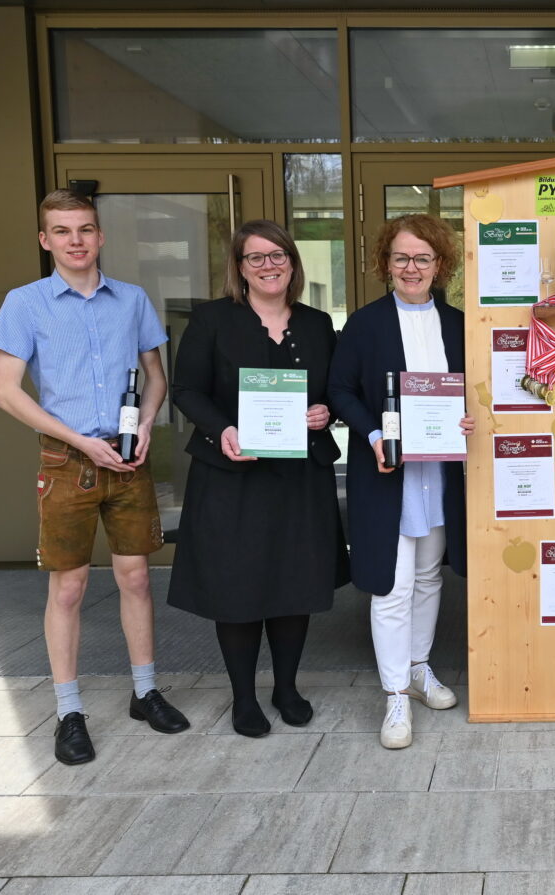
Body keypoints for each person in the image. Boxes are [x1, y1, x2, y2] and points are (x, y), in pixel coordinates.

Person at [0, 188, 188, 765]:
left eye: (86, 230)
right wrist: (80, 443)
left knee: (137, 579)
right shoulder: (25, 303)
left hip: (128, 460)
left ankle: (146, 692)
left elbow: (155, 376)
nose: (76, 241)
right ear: (46, 240)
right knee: (69, 588)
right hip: (66, 461)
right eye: (63, 231)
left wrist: (147, 423)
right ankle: (68, 710)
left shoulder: (132, 300)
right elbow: (4, 392)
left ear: (100, 236)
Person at [167, 219, 348, 737]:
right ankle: (243, 698)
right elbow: (186, 390)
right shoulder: (212, 321)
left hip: (299, 477)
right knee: (239, 584)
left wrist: (325, 410)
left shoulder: (316, 324)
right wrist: (222, 426)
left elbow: (336, 389)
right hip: (233, 474)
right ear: (240, 268)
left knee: (295, 581)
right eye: (256, 258)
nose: (269, 265)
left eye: (278, 256)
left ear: (292, 262)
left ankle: (286, 687)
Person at [328, 213, 474, 750]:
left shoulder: (460, 325)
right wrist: (370, 435)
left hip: (440, 472)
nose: (411, 268)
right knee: (392, 585)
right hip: (386, 472)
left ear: (440, 265)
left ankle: (418, 668)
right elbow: (340, 391)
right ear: (385, 263)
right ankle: (394, 695)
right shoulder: (364, 325)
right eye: (401, 258)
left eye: (422, 258)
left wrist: (467, 418)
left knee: (430, 574)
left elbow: (472, 391)